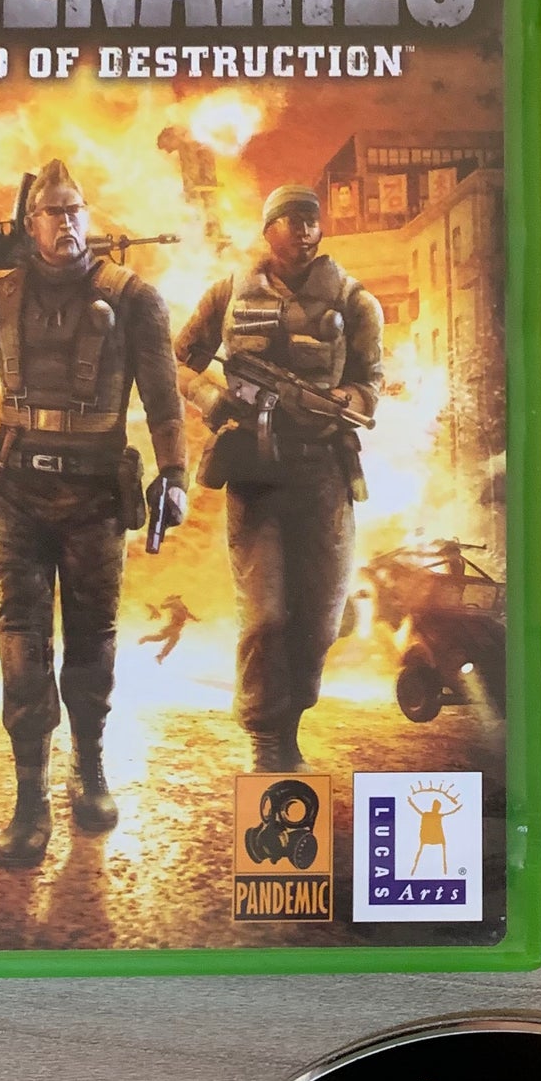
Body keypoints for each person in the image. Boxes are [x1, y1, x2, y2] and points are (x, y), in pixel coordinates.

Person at [0, 160, 188, 866]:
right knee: (21, 645)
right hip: (18, 493)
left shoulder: (134, 298)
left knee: (93, 642)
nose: (66, 222)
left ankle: (88, 770)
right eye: (52, 212)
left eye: (74, 210)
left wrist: (176, 475)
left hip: (97, 494)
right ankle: (30, 797)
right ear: (29, 224)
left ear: (87, 217)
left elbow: (163, 397)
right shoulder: (3, 296)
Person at [176, 184, 382, 772]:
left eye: (312, 219)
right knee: (266, 614)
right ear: (268, 229)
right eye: (291, 219)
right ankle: (267, 740)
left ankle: (289, 724)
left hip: (323, 473)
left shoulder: (355, 301)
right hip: (254, 473)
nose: (304, 229)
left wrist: (342, 400)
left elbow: (370, 384)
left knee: (317, 620)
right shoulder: (229, 292)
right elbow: (179, 360)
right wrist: (213, 401)